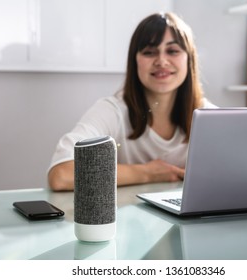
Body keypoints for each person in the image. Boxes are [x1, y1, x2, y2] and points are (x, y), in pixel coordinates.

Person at [48, 12, 216, 191]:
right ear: (134, 61)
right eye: (149, 52)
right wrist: (148, 173)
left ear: (189, 58)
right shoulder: (112, 111)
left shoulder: (208, 116)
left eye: (172, 51)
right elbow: (61, 175)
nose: (161, 61)